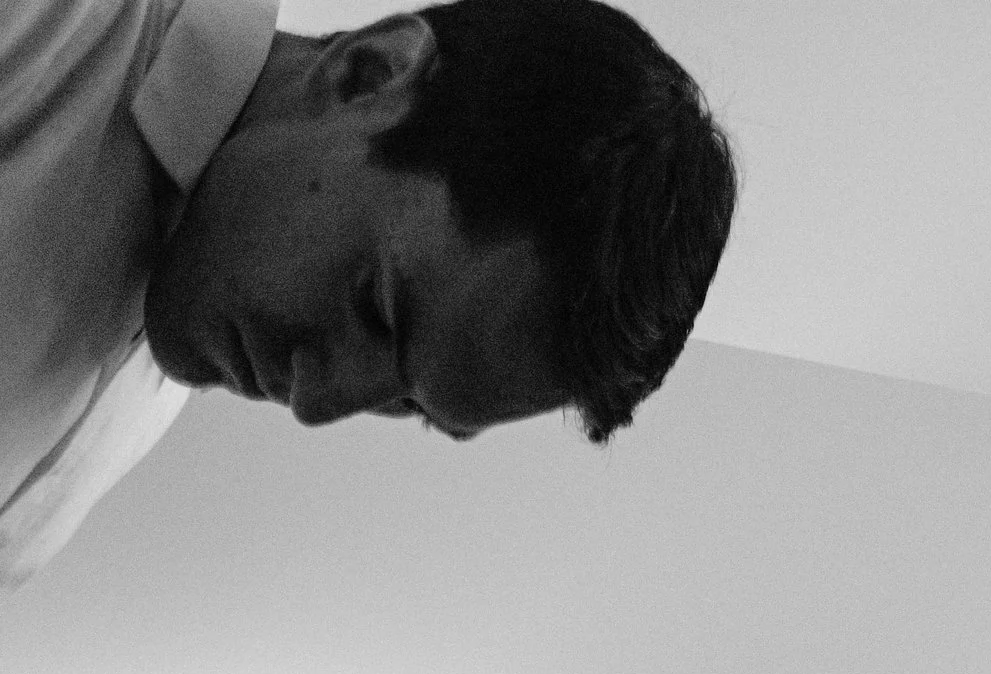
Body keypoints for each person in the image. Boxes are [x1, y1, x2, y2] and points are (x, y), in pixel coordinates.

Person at [1, 0, 739, 590]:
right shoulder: (49, 25)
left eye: (407, 405)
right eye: (376, 310)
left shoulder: (151, 389)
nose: (317, 403)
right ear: (368, 73)